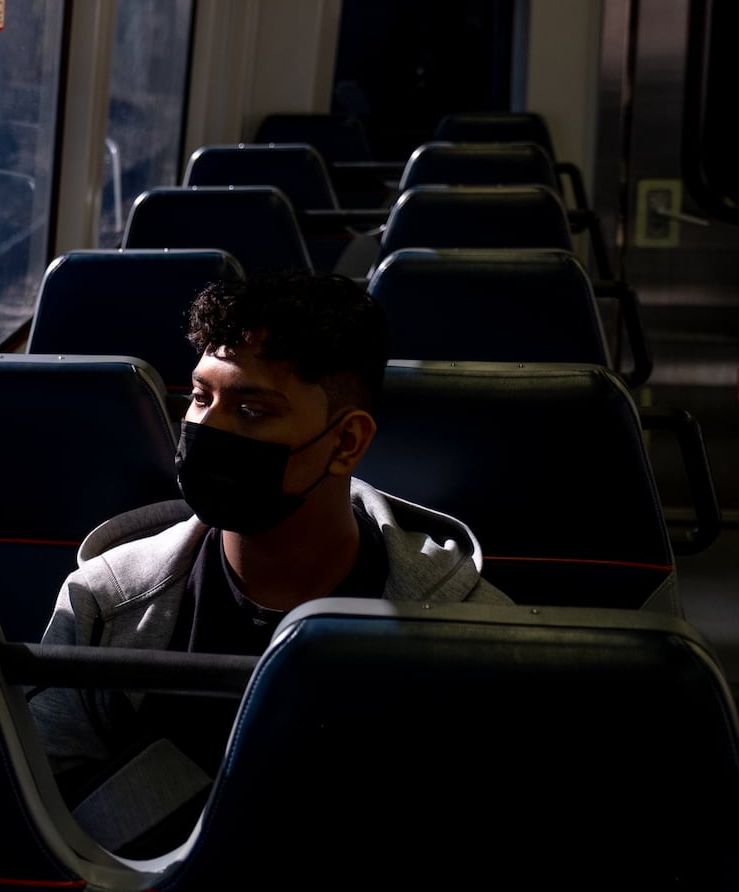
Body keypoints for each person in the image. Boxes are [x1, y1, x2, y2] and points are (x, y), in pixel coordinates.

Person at [28, 271, 509, 854]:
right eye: (201, 397)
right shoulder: (107, 604)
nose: (206, 427)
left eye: (252, 411)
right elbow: (49, 829)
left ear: (347, 442)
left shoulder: (470, 629)